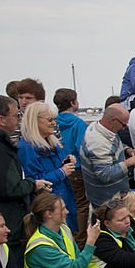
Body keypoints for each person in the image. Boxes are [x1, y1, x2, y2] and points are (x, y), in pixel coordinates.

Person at [0, 95, 50, 261]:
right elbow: (9, 188)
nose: (19, 119)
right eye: (16, 115)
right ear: (1, 119)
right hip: (5, 223)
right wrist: (32, 184)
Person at [18, 101, 77, 232]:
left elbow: (57, 167)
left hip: (62, 199)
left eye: (54, 120)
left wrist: (67, 161)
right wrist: (61, 172)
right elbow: (32, 181)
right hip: (47, 206)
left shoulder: (52, 142)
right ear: (35, 121)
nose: (54, 123)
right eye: (50, 120)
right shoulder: (26, 148)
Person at [80, 104, 135, 207]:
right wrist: (129, 162)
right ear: (113, 120)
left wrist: (127, 150)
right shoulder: (97, 142)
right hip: (106, 202)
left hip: (115, 196)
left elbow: (113, 145)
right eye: (123, 125)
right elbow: (104, 174)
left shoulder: (101, 128)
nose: (124, 128)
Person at [53, 88, 90, 243]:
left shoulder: (53, 122)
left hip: (59, 168)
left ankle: (66, 236)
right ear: (73, 103)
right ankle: (80, 238)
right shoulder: (78, 123)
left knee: (64, 203)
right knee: (81, 205)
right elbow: (82, 147)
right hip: (76, 168)